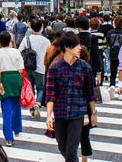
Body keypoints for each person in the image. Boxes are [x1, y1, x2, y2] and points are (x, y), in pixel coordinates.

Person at [46, 32, 97, 162]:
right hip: (60, 113)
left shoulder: (85, 67)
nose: (80, 48)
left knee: (71, 150)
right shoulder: (55, 67)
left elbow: (90, 93)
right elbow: (50, 94)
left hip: (77, 113)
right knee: (62, 146)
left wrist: (93, 113)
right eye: (76, 45)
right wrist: (48, 115)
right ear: (68, 47)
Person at [0, 31, 24, 146]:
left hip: (4, 78)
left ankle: (9, 138)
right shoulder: (16, 52)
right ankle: (17, 128)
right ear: (10, 40)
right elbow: (21, 68)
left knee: (6, 109)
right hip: (16, 77)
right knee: (16, 104)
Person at [18, 18, 50, 116]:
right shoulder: (46, 41)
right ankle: (38, 103)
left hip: (28, 66)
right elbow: (49, 54)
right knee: (40, 88)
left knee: (30, 88)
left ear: (31, 27)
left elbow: (19, 51)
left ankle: (32, 108)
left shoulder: (27, 39)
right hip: (41, 67)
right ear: (42, 27)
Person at [106, 16, 122, 86]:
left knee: (113, 70)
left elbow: (108, 42)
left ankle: (112, 84)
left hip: (113, 52)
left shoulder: (110, 32)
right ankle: (121, 83)